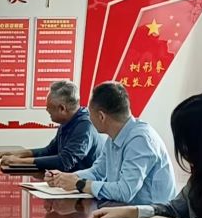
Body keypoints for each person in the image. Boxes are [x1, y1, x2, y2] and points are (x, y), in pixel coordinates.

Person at [47, 81, 175, 205]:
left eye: (89, 113)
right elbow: (97, 172)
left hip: (152, 215)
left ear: (101, 116)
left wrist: (79, 184)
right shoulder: (114, 137)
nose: (88, 118)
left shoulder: (141, 140)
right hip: (126, 210)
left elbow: (125, 192)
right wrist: (64, 178)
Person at [0, 80, 102, 171]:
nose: (46, 110)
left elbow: (65, 161)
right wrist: (17, 154)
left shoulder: (85, 126)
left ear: (62, 108)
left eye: (49, 107)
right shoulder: (68, 121)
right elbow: (50, 151)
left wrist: (19, 162)